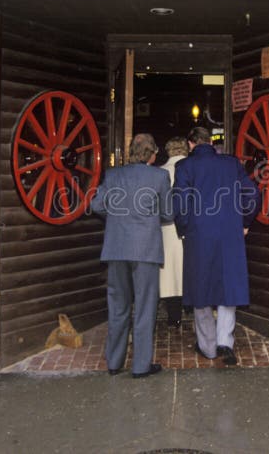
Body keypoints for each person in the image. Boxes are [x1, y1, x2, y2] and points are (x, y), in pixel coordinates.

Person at [173, 126, 260, 366]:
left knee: (200, 288)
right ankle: (225, 342)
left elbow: (180, 205)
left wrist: (184, 230)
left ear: (191, 144)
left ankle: (208, 346)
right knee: (228, 286)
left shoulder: (185, 167)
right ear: (210, 142)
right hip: (229, 234)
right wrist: (244, 222)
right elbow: (252, 194)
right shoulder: (231, 164)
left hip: (198, 235)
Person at [90, 133, 172, 378]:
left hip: (116, 248)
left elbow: (96, 205)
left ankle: (114, 363)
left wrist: (116, 217)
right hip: (145, 250)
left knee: (118, 306)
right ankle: (140, 366)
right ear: (152, 154)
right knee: (145, 308)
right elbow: (169, 213)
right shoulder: (159, 176)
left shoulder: (114, 175)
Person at [159, 136, 188, 327]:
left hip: (165, 228)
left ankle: (173, 315)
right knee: (187, 267)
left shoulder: (159, 172)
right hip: (186, 227)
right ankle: (191, 307)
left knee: (168, 273)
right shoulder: (191, 170)